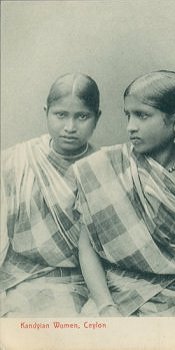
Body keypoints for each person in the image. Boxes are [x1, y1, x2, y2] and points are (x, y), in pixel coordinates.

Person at [74, 70, 175, 317]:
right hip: (113, 295)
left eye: (142, 115)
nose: (131, 127)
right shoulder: (106, 167)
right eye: (128, 115)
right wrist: (105, 306)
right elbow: (87, 247)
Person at [0, 73, 101, 317]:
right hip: (19, 276)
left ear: (97, 118)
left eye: (82, 116)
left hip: (80, 281)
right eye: (60, 115)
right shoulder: (17, 160)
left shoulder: (104, 166)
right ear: (46, 112)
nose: (70, 127)